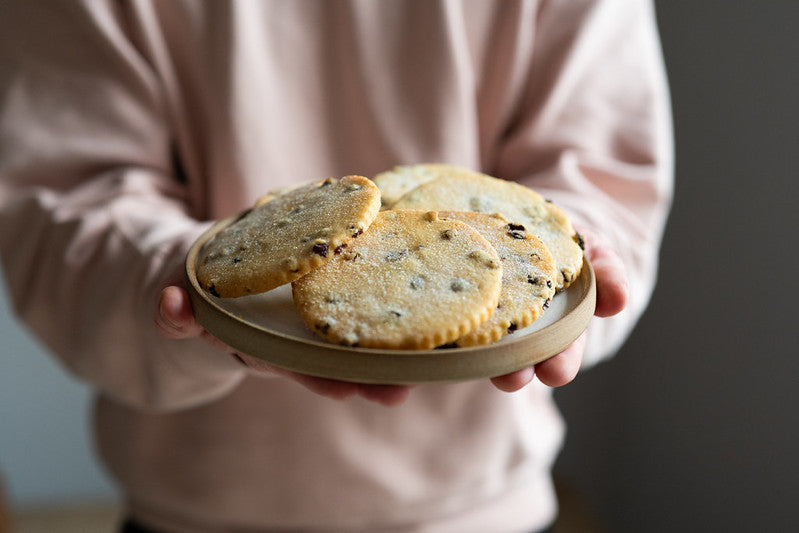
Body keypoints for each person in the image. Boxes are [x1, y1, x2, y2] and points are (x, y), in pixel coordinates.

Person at [0, 1, 672, 532]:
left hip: (483, 503)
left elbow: (600, 177)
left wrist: (572, 265)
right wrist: (196, 291)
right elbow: (58, 216)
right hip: (200, 508)